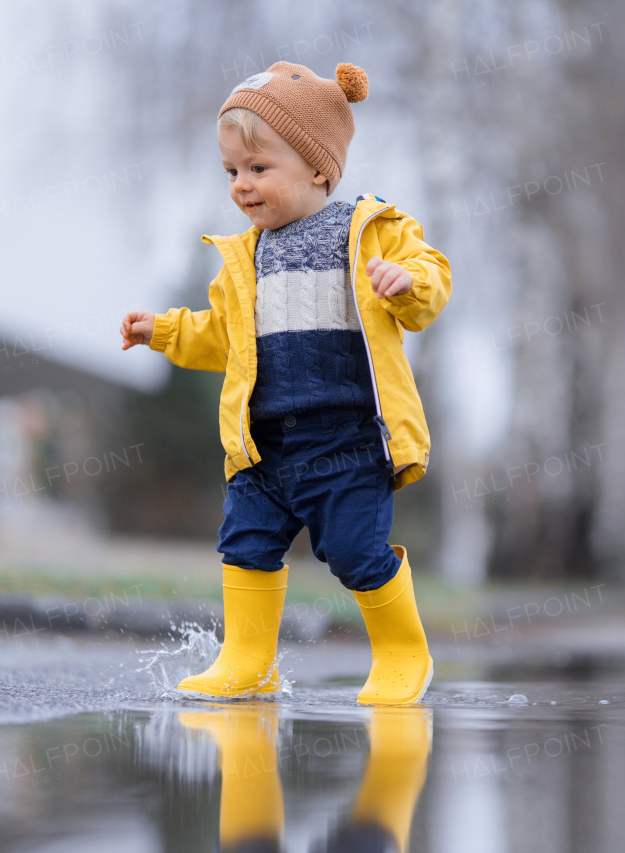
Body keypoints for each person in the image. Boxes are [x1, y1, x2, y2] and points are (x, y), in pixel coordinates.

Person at [120, 61, 450, 705]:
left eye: (258, 169)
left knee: (356, 551)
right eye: (232, 172)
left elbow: (430, 277)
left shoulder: (369, 231)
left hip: (348, 440)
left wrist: (407, 281)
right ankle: (248, 660)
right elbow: (223, 336)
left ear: (318, 166)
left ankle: (403, 651)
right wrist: (161, 331)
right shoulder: (247, 257)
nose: (241, 186)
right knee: (245, 543)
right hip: (264, 442)